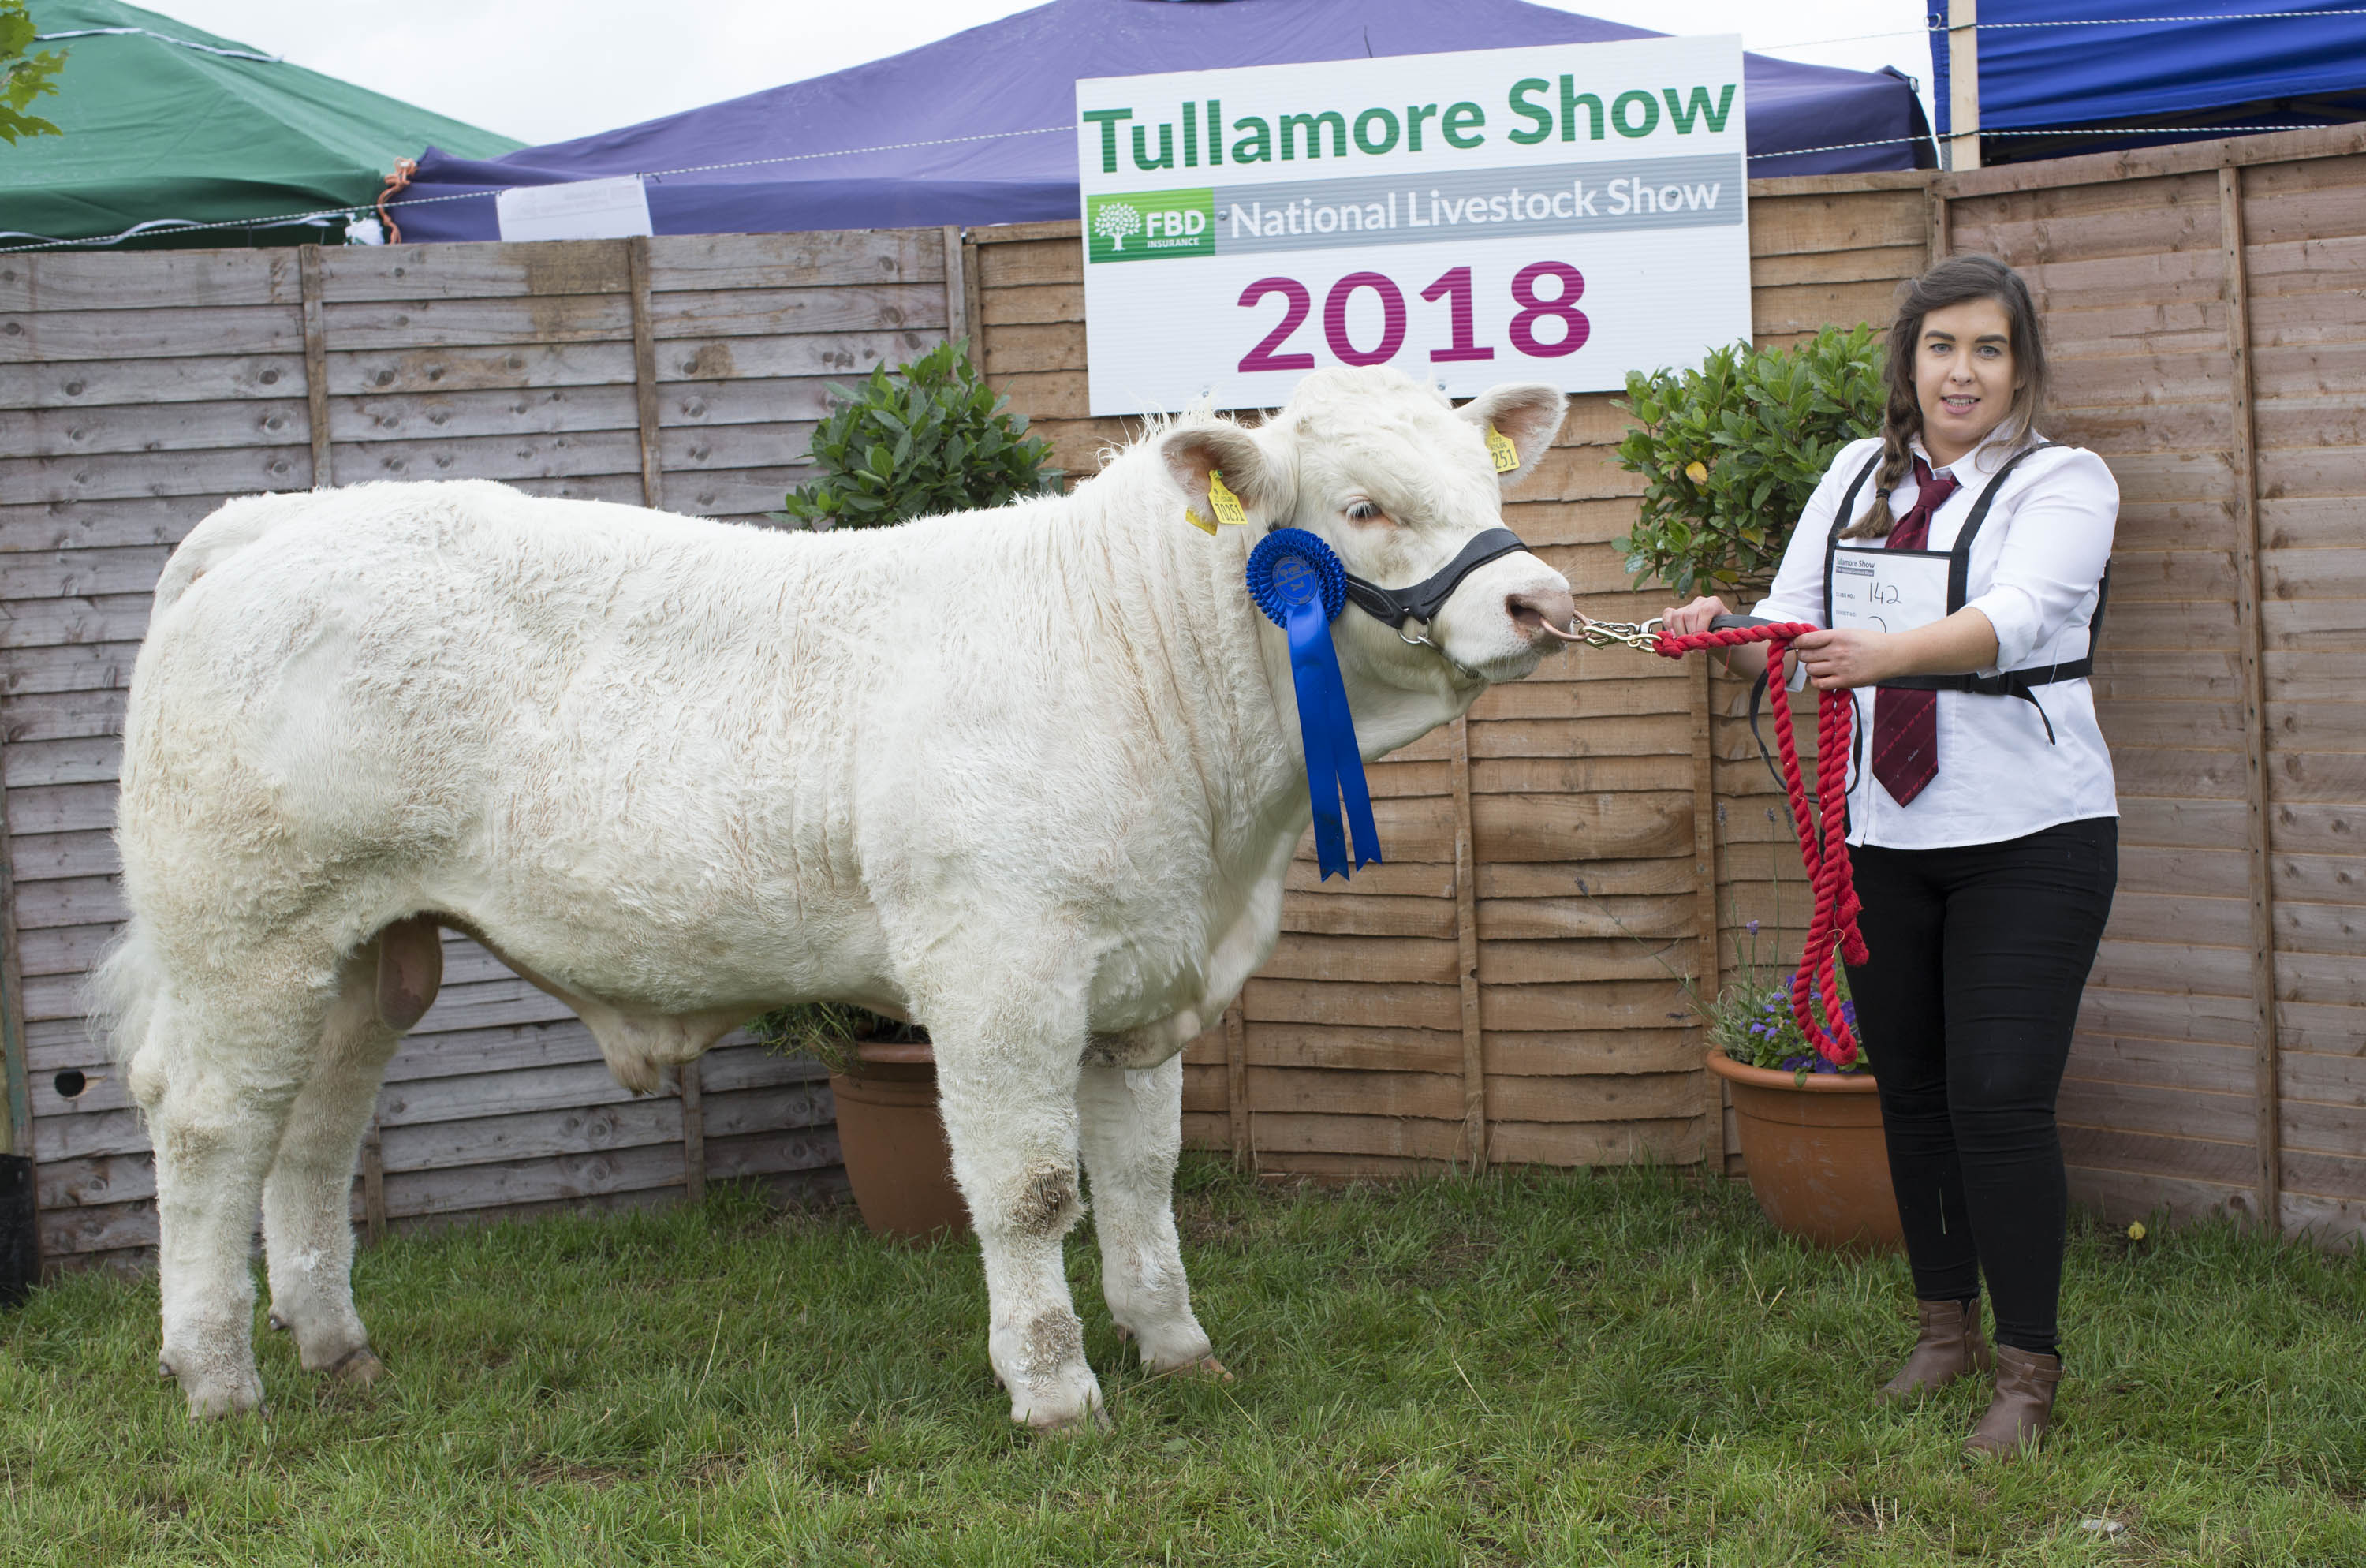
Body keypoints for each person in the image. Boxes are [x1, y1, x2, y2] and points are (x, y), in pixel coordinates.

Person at [1663, 254, 2118, 1459]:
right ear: (1908, 365)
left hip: (2034, 836)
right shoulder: (1855, 476)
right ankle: (1942, 1331)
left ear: (2020, 368)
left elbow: (2018, 618)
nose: (1962, 373)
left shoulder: (2063, 481)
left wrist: (1886, 653)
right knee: (1910, 1092)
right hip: (1887, 836)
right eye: (1941, 348)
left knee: (1999, 1099)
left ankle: (2027, 1372)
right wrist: (1722, 631)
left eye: (1988, 350)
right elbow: (1785, 641)